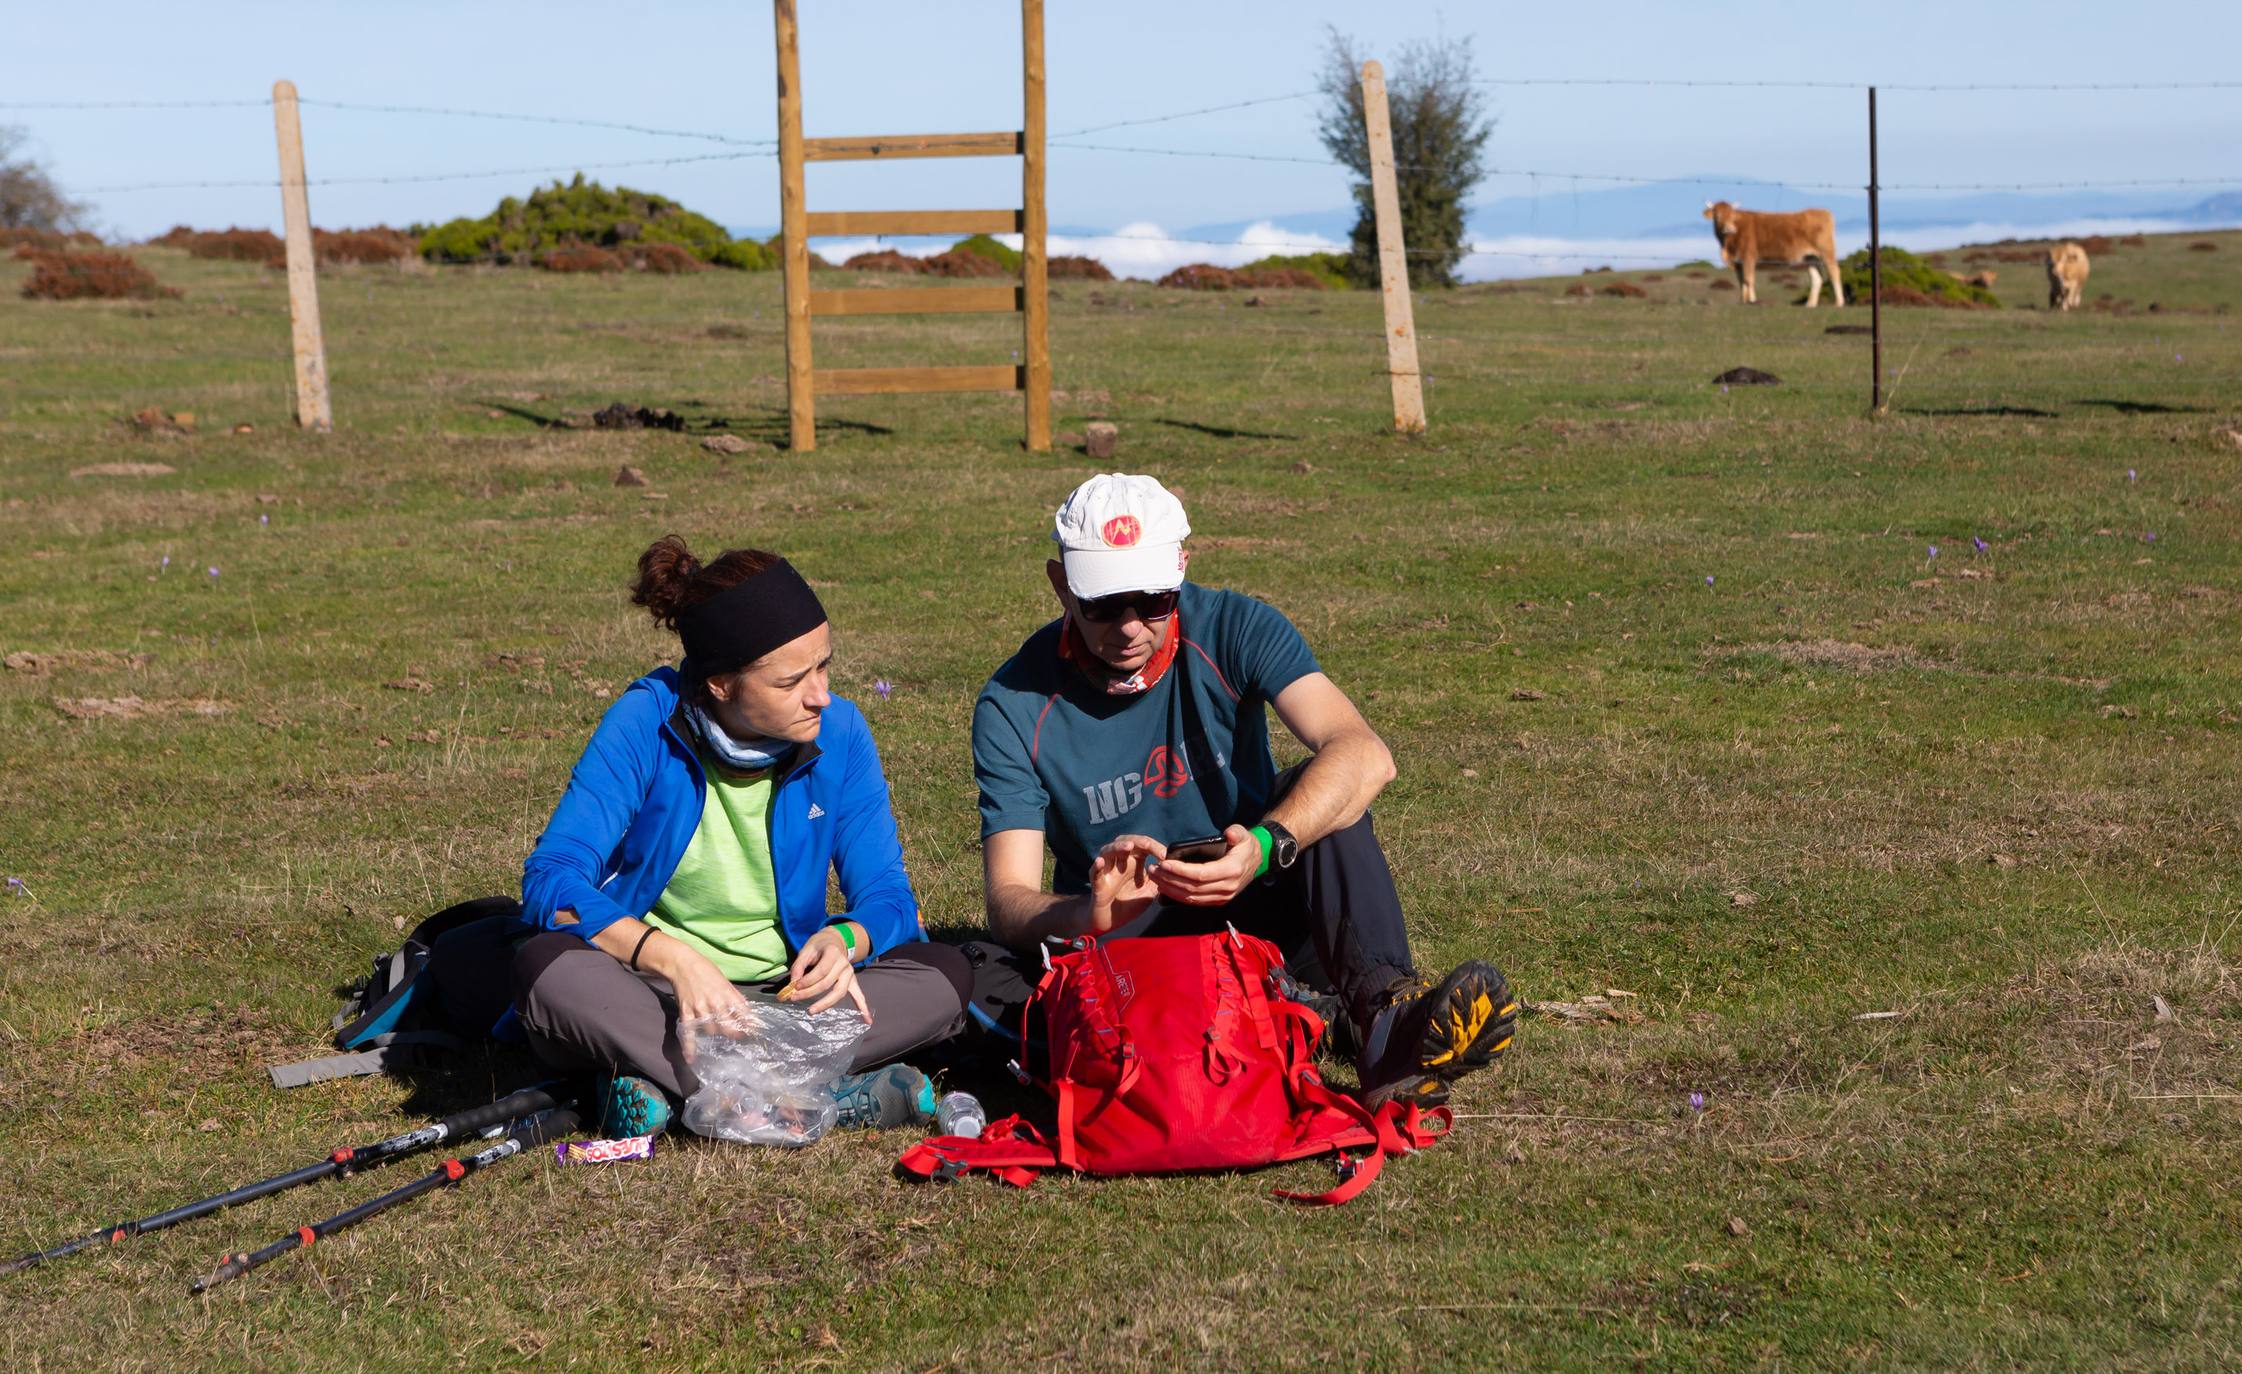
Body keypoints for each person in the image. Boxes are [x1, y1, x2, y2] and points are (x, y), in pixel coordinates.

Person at [970, 473, 1518, 1107]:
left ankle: (1385, 1015)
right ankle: (1313, 1011)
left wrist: (1264, 845)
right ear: (1060, 585)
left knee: (1324, 794)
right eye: (1102, 603)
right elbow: (1008, 903)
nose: (1129, 626)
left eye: (1153, 600)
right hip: (1130, 937)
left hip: (1256, 891)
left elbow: (1364, 754)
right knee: (983, 969)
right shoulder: (1013, 702)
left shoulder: (1233, 625)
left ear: (1181, 572)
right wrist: (1089, 913)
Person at [513, 536, 970, 1136]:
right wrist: (672, 958)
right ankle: (816, 1089)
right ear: (722, 685)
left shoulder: (842, 733)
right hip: (657, 994)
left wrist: (847, 940)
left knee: (946, 975)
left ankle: (686, 1089)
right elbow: (552, 880)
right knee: (545, 969)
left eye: (824, 665)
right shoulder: (646, 720)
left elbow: (889, 896)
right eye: (790, 683)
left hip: (788, 998)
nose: (821, 695)